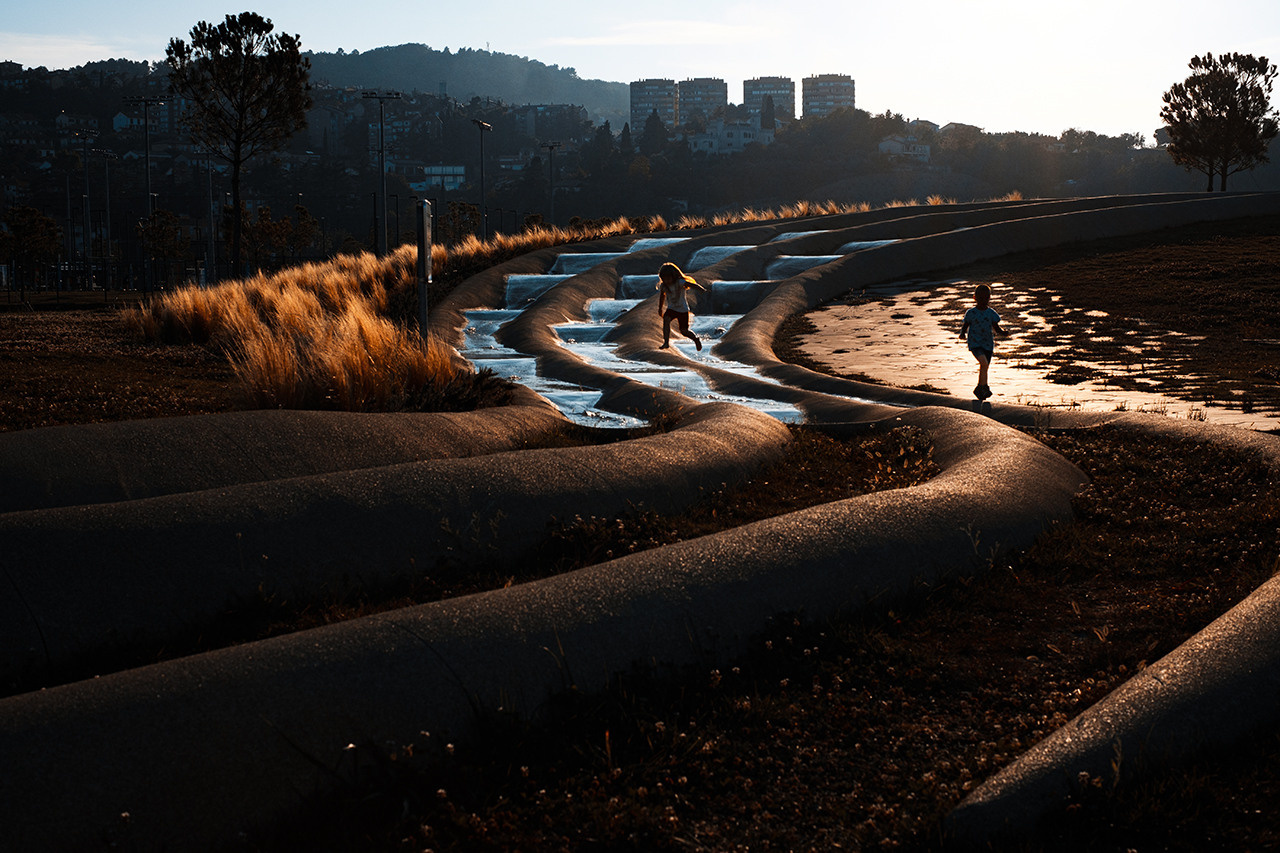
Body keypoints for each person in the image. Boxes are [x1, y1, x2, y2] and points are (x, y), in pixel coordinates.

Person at [959, 283, 1004, 400]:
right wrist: (962, 333)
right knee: (983, 363)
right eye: (980, 298)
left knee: (985, 367)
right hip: (975, 343)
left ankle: (981, 388)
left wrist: (1003, 333)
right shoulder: (971, 313)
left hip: (988, 344)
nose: (983, 300)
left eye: (985, 298)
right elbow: (966, 324)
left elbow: (996, 327)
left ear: (989, 298)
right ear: (975, 298)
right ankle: (983, 388)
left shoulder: (991, 313)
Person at [656, 261, 707, 350]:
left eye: (668, 278)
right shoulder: (664, 286)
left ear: (674, 276)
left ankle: (696, 339)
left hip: (682, 310)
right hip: (671, 308)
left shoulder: (679, 282)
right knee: (666, 319)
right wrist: (660, 309)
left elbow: (691, 284)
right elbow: (662, 297)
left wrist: (701, 289)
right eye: (664, 278)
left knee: (684, 331)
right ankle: (666, 342)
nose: (666, 281)